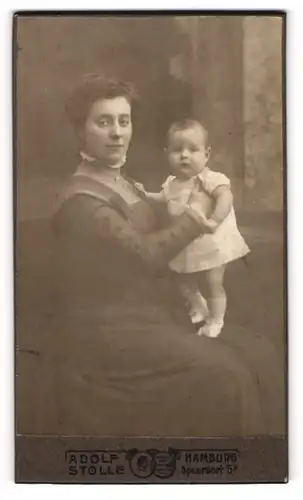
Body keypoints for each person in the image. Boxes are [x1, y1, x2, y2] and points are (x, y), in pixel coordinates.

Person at [17, 74, 284, 438]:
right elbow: (146, 254)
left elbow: (161, 218)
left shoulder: (122, 181)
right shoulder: (82, 201)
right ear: (81, 131)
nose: (117, 132)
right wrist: (196, 215)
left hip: (151, 316)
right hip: (107, 334)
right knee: (228, 376)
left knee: (261, 354)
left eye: (123, 121)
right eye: (103, 122)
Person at [138, 119, 250, 338]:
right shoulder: (171, 183)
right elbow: (162, 198)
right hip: (188, 244)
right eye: (177, 150)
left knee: (213, 282)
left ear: (206, 155)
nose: (184, 155)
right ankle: (198, 305)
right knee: (182, 279)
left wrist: (215, 220)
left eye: (193, 149)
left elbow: (225, 197)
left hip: (212, 242)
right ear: (167, 153)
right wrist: (145, 194)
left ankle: (216, 320)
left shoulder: (208, 179)